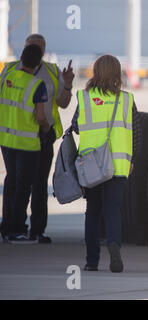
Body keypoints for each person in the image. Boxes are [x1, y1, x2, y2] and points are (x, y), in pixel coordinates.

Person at [0, 34, 74, 243]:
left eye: (37, 47)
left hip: (39, 138)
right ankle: (13, 227)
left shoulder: (51, 72)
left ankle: (35, 229)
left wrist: (67, 85)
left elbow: (63, 102)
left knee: (38, 184)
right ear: (24, 49)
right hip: (22, 138)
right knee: (16, 183)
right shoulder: (9, 70)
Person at [71, 55, 141, 273]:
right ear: (117, 73)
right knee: (113, 210)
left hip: (91, 166)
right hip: (118, 166)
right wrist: (133, 160)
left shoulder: (84, 98)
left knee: (92, 211)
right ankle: (114, 246)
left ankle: (92, 261)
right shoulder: (127, 100)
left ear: (96, 71)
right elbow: (137, 134)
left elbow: (76, 127)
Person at [0, 44, 50, 244]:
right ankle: (17, 229)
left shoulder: (6, 78)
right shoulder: (37, 85)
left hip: (6, 140)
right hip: (27, 143)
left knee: (11, 182)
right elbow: (40, 117)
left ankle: (6, 227)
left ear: (21, 57)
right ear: (38, 64)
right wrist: (46, 128)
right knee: (23, 187)